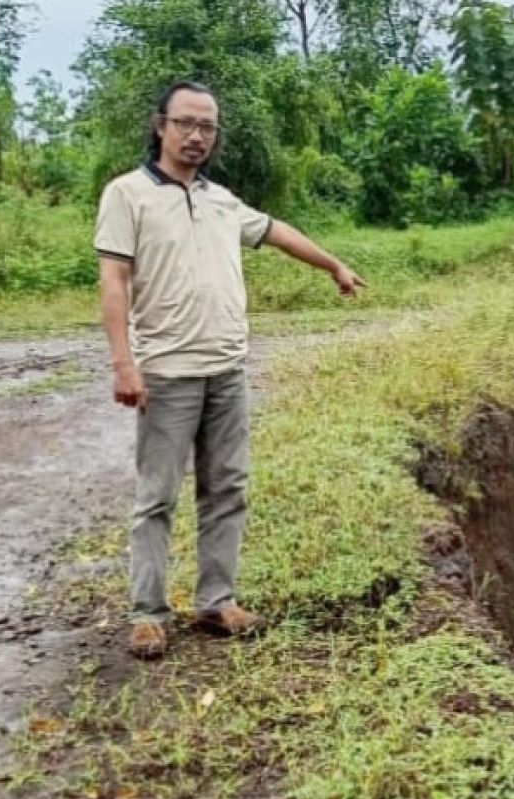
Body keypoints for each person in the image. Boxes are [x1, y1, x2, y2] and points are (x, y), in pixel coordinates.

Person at [94, 80, 365, 660]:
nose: (196, 136)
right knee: (157, 496)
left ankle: (216, 602)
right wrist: (123, 362)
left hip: (227, 370)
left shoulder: (220, 199)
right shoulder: (127, 194)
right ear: (160, 126)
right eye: (185, 123)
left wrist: (333, 264)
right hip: (167, 371)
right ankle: (147, 613)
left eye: (207, 127)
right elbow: (114, 280)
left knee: (227, 489)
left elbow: (275, 231)